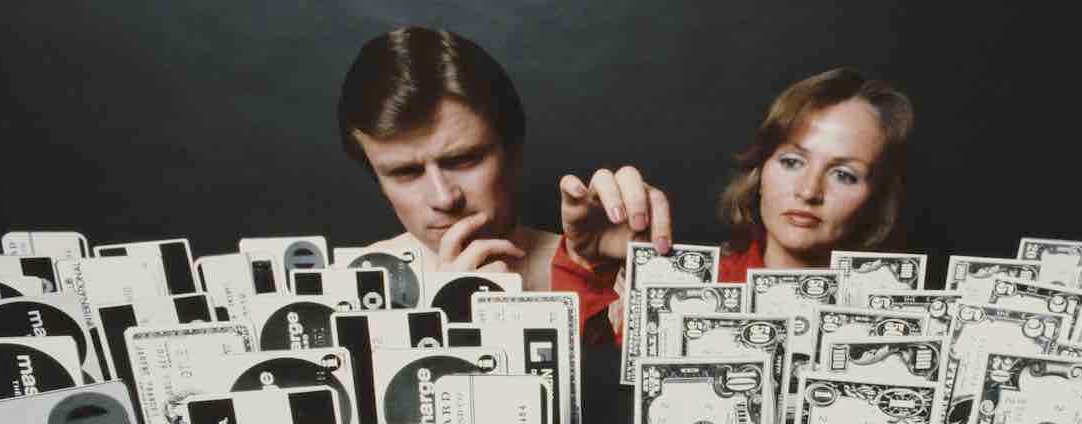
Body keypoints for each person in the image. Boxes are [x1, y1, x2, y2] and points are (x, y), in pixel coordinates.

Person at [338, 27, 670, 339]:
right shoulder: (338, 293)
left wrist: (648, 269)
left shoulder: (595, 265)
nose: (444, 198)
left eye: (464, 159)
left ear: (513, 151)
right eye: (405, 172)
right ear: (376, 178)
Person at [561, 68, 913, 342]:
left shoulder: (904, 323)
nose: (808, 191)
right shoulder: (684, 295)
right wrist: (586, 263)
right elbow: (586, 395)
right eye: (792, 161)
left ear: (877, 197)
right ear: (760, 170)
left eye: (845, 175)